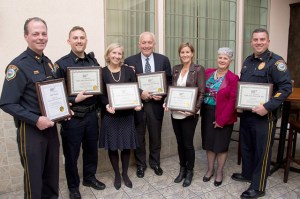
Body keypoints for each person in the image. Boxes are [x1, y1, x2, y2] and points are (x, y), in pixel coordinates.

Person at [0, 17, 61, 199]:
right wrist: (36, 119)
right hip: (31, 131)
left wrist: (64, 109)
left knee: (52, 174)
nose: (41, 37)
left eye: (44, 33)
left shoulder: (48, 63)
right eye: (35, 34)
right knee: (34, 180)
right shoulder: (17, 66)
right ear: (26, 36)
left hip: (51, 127)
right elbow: (7, 102)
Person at [231, 28, 292, 199]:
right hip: (248, 114)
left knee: (262, 151)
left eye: (262, 39)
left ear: (268, 41)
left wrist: (268, 106)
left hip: (265, 116)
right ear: (251, 42)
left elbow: (286, 88)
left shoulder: (276, 62)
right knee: (247, 146)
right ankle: (248, 174)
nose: (259, 42)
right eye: (256, 39)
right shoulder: (248, 61)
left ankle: (258, 186)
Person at [55, 26, 105, 199]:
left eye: (82, 38)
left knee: (91, 150)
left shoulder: (94, 63)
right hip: (73, 118)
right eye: (75, 38)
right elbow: (56, 94)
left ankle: (89, 178)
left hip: (92, 116)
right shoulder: (61, 64)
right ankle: (73, 187)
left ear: (86, 40)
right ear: (69, 41)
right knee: (71, 155)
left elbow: (101, 87)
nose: (79, 41)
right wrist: (73, 99)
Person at [124, 32, 172, 178]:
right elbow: (127, 83)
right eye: (143, 43)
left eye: (149, 42)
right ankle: (140, 165)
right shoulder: (129, 60)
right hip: (138, 105)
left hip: (156, 105)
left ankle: (155, 163)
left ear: (154, 44)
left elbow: (169, 81)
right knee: (139, 136)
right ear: (139, 44)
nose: (146, 45)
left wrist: (163, 95)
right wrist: (140, 92)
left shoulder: (163, 60)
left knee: (155, 136)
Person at [99, 43, 141, 190]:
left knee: (125, 146)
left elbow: (135, 89)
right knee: (113, 147)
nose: (117, 56)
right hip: (110, 116)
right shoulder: (102, 72)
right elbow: (101, 95)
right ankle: (117, 174)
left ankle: (124, 174)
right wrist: (105, 105)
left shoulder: (128, 71)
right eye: (114, 53)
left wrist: (138, 103)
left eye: (119, 54)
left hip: (127, 115)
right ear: (108, 54)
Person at [164, 42, 205, 187]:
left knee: (188, 144)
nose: (185, 55)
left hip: (189, 114)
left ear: (192, 53)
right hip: (175, 113)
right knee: (179, 142)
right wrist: (167, 101)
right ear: (179, 54)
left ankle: (189, 171)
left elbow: (201, 92)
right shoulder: (176, 69)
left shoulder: (198, 69)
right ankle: (182, 169)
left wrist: (193, 110)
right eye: (182, 52)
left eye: (188, 52)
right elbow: (172, 89)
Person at [201, 47, 239, 187]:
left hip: (224, 116)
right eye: (220, 57)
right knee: (209, 145)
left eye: (225, 58)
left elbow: (232, 101)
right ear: (217, 58)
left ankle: (219, 172)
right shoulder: (208, 73)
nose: (222, 60)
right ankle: (210, 170)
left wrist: (221, 120)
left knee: (221, 146)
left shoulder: (233, 78)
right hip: (207, 113)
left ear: (230, 60)